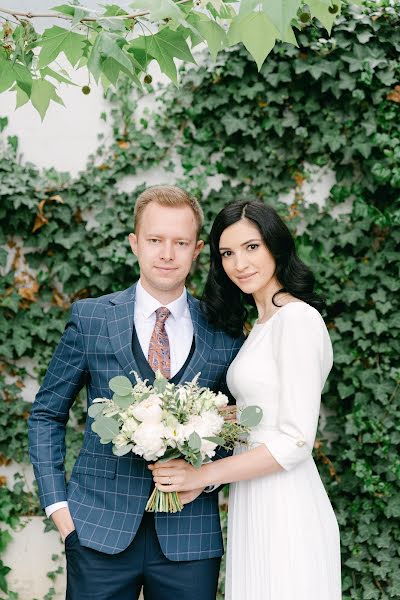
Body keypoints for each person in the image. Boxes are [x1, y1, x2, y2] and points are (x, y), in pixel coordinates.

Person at [28, 185, 244, 600]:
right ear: (134, 243)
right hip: (96, 532)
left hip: (190, 540)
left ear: (198, 249)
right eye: (155, 240)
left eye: (180, 242)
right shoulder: (91, 318)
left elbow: (237, 426)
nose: (167, 253)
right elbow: (47, 414)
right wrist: (60, 511)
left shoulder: (224, 331)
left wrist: (207, 480)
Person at [150, 200, 342, 600]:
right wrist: (199, 420)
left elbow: (295, 439)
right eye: (227, 253)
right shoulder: (262, 324)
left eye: (251, 247)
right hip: (253, 497)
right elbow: (267, 410)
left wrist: (201, 476)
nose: (240, 263)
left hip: (286, 504)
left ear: (276, 246)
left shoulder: (298, 320)